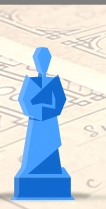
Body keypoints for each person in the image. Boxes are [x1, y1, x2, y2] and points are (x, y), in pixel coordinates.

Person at [13, 46, 73, 200]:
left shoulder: (53, 82)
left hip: (49, 121)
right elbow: (24, 101)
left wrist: (45, 108)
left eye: (45, 61)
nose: (42, 65)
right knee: (34, 151)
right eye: (40, 61)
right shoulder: (31, 81)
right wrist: (39, 110)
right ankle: (33, 174)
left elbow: (60, 100)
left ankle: (51, 173)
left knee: (50, 150)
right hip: (37, 123)